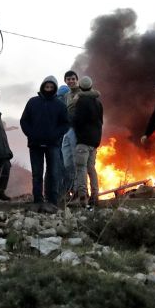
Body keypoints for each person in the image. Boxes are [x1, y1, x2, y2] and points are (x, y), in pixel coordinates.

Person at [20, 76, 70, 210]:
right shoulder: (33, 102)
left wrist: (56, 135)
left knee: (53, 172)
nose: (48, 89)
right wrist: (31, 134)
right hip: (35, 144)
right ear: (42, 87)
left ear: (54, 89)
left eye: (51, 87)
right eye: (46, 87)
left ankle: (52, 201)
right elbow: (24, 121)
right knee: (37, 173)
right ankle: (37, 200)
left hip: (53, 144)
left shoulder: (60, 105)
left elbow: (65, 124)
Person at [69, 76, 103, 207]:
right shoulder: (98, 102)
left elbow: (76, 119)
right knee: (91, 168)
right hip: (94, 141)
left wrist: (74, 103)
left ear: (81, 87)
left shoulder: (81, 101)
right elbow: (101, 122)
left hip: (83, 140)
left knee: (81, 168)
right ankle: (95, 196)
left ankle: (82, 197)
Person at [59, 70, 79, 200]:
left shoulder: (81, 94)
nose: (70, 81)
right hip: (66, 131)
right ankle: (70, 191)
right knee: (67, 164)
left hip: (76, 131)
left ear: (76, 79)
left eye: (72, 79)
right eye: (68, 79)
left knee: (77, 163)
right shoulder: (66, 96)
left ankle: (79, 192)